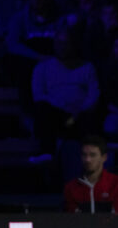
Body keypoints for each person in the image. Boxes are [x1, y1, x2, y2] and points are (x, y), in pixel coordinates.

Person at [31, 26, 100, 160]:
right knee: (42, 110)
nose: (62, 47)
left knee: (89, 119)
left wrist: (79, 110)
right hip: (56, 116)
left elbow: (93, 95)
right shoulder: (42, 68)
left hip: (77, 117)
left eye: (66, 43)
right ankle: (47, 152)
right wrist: (63, 106)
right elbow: (38, 95)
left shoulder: (87, 67)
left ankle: (89, 160)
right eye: (59, 43)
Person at [64, 135, 118, 213]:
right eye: (84, 155)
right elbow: (72, 218)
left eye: (92, 155)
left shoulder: (117, 184)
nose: (87, 160)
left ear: (104, 158)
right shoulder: (71, 188)